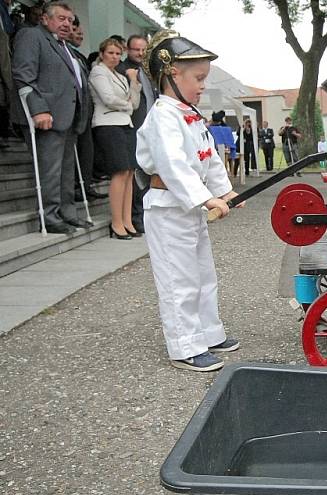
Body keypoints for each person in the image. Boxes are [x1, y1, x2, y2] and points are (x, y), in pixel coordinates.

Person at [137, 29, 243, 371]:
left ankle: (209, 333)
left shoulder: (191, 115)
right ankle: (184, 345)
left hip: (188, 209)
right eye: (198, 78)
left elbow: (208, 156)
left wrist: (223, 190)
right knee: (178, 278)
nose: (202, 86)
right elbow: (172, 165)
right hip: (168, 209)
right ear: (171, 73)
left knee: (202, 274)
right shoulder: (162, 116)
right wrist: (204, 199)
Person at [11, 1, 92, 234]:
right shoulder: (31, 36)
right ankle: (50, 215)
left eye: (70, 20)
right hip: (46, 114)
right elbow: (23, 74)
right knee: (50, 169)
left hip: (67, 116)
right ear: (45, 19)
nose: (67, 23)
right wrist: (38, 109)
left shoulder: (65, 46)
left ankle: (67, 212)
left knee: (66, 169)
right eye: (61, 18)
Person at [89, 37, 142, 239]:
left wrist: (134, 82)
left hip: (125, 124)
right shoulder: (98, 71)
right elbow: (108, 99)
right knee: (119, 172)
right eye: (110, 52)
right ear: (102, 54)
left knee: (129, 173)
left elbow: (135, 102)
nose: (114, 56)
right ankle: (117, 222)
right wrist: (126, 104)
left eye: (118, 53)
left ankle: (127, 220)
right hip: (108, 125)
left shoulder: (119, 75)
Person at [118, 34, 156, 234]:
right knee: (135, 176)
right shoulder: (122, 70)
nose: (140, 53)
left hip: (151, 128)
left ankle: (144, 214)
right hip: (132, 127)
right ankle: (135, 216)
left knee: (147, 173)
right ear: (127, 50)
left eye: (143, 49)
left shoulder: (150, 72)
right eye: (136, 50)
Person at [67, 16, 105, 201]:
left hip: (85, 112)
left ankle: (85, 184)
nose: (79, 35)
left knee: (86, 151)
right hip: (72, 112)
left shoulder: (79, 56)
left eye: (81, 33)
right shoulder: (66, 53)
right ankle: (76, 186)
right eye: (77, 32)